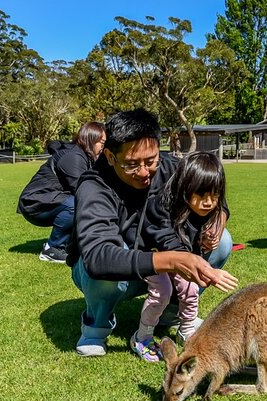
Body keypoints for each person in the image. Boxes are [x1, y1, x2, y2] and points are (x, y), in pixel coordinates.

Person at [66, 108, 237, 357]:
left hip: (161, 258)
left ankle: (171, 314)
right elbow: (98, 257)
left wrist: (218, 219)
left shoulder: (169, 167)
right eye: (132, 164)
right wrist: (174, 261)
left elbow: (210, 190)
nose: (145, 172)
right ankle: (96, 326)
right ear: (110, 156)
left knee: (223, 241)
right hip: (111, 272)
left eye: (151, 161)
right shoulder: (94, 186)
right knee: (107, 264)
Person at [133, 151, 229, 361]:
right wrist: (206, 269)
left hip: (180, 255)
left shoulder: (207, 207)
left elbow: (223, 208)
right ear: (185, 188)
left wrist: (214, 230)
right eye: (202, 196)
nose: (208, 202)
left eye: (214, 196)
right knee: (163, 291)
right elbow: (167, 243)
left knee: (191, 287)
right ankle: (142, 336)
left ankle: (185, 328)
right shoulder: (162, 205)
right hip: (154, 255)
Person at [17, 122, 106, 263]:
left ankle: (71, 245)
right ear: (91, 139)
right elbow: (82, 189)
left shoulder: (84, 157)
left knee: (81, 202)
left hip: (50, 199)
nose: (103, 147)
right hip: (34, 202)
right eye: (102, 143)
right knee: (77, 204)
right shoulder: (73, 157)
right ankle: (52, 249)